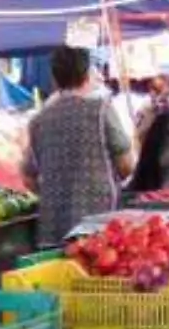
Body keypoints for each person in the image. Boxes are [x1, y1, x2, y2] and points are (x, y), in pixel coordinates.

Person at [22, 47, 136, 245]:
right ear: (87, 75)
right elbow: (126, 166)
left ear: (55, 79)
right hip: (98, 224)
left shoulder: (38, 121)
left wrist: (57, 193)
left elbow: (28, 177)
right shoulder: (101, 109)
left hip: (54, 227)